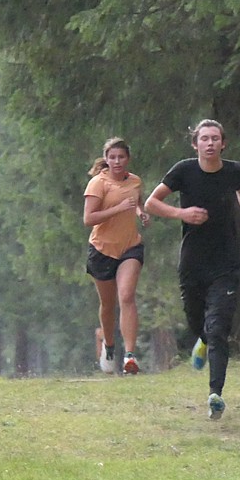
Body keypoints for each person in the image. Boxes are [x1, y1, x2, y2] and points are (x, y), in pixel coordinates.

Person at [144, 119, 240, 421]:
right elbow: (152, 203)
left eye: (215, 138)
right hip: (193, 261)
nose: (210, 143)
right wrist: (181, 213)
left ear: (223, 143)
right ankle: (202, 340)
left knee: (219, 327)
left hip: (226, 261)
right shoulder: (183, 171)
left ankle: (215, 395)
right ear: (195, 144)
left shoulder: (234, 171)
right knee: (198, 322)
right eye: (204, 139)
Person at [83, 137, 149, 375]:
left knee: (127, 296)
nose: (117, 161)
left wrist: (140, 212)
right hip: (102, 250)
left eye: (121, 157)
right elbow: (88, 218)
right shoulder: (97, 184)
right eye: (112, 157)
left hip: (130, 247)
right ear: (107, 159)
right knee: (108, 305)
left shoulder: (135, 181)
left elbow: (136, 200)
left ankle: (130, 356)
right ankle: (109, 346)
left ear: (127, 159)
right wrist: (118, 209)